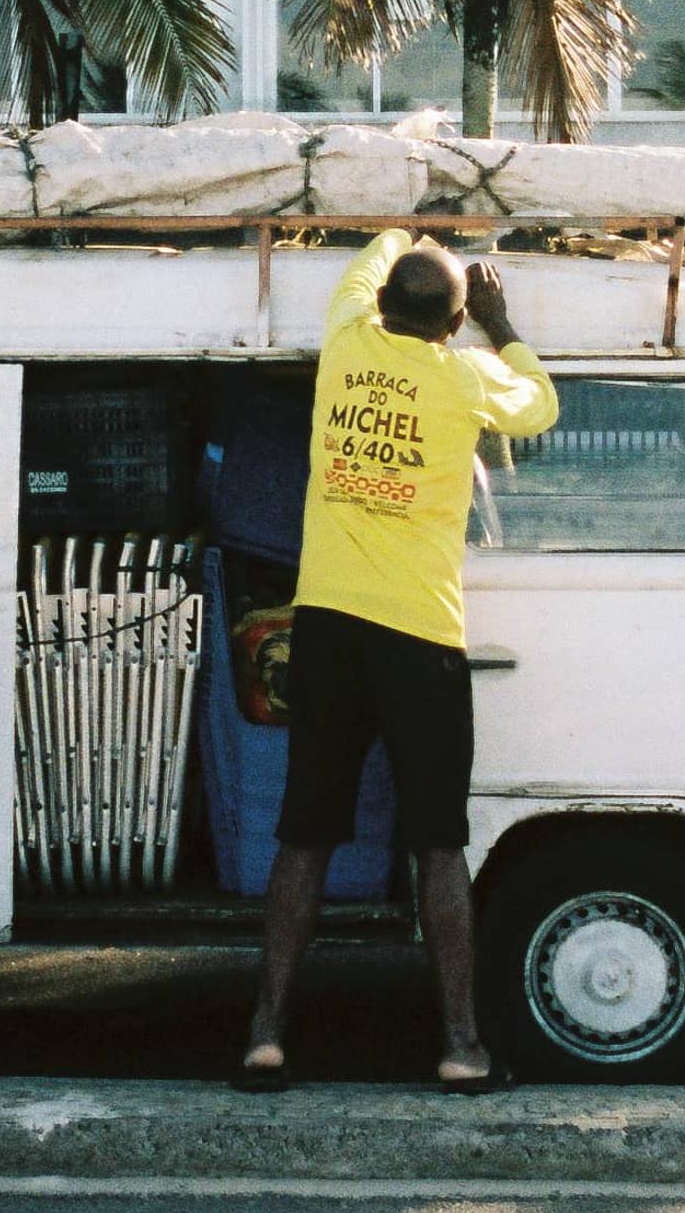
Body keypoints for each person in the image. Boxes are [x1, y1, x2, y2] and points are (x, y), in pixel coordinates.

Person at [238, 232, 557, 1095]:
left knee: (304, 833)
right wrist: (502, 321)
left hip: (331, 627)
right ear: (453, 323)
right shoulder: (462, 376)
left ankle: (265, 1035)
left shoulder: (343, 345)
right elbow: (540, 406)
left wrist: (407, 233)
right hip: (419, 634)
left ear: (380, 309)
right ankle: (460, 1045)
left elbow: (365, 266)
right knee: (438, 843)